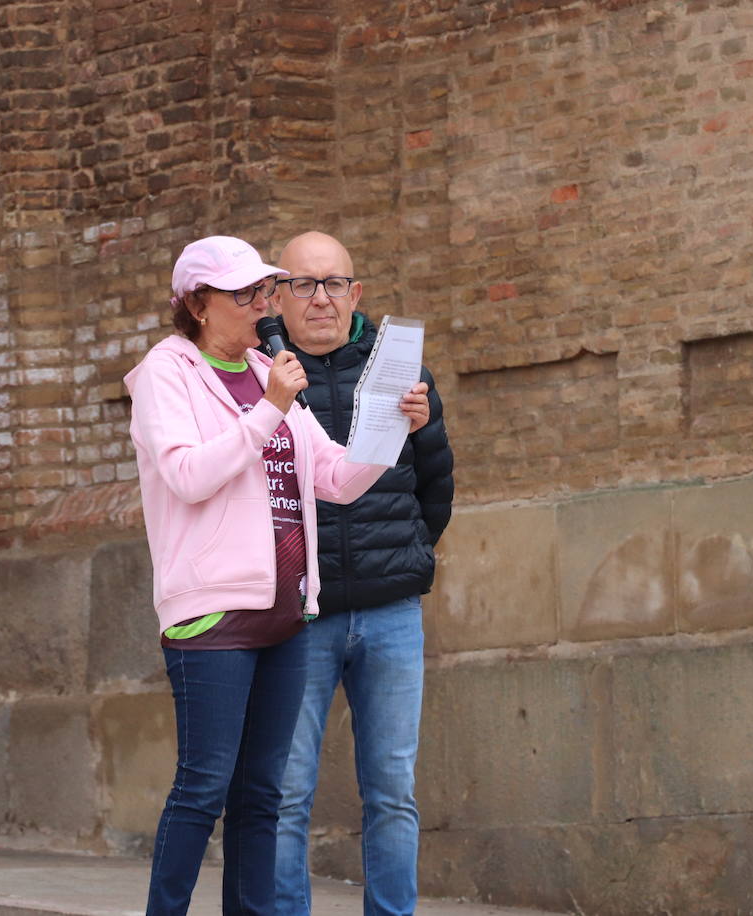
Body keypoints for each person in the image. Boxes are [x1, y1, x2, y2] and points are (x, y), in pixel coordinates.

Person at [123, 234, 432, 916]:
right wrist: (268, 408)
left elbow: (335, 479)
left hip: (288, 611)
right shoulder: (167, 373)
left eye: (264, 290)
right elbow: (187, 475)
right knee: (203, 788)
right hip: (212, 611)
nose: (263, 305)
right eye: (245, 294)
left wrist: (393, 430)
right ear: (198, 304)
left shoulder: (268, 368)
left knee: (263, 794)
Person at [271, 231, 454, 916]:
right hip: (298, 617)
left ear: (356, 294)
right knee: (285, 793)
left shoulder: (400, 372)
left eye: (334, 284)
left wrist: (405, 555)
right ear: (279, 296)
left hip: (389, 611)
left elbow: (436, 485)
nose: (320, 298)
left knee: (392, 792)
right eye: (303, 284)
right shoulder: (262, 376)